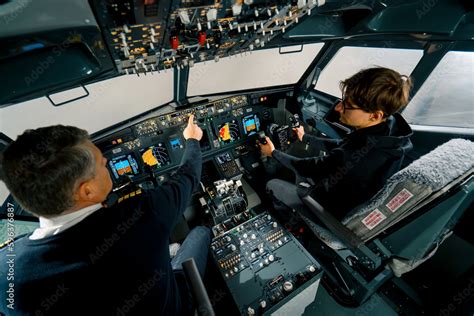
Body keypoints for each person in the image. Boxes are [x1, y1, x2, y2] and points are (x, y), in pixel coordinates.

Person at [0, 115, 210, 315]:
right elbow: (188, 176)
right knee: (201, 232)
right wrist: (192, 139)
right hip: (175, 307)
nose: (107, 162)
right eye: (101, 163)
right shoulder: (142, 214)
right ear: (87, 191)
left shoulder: (7, 273)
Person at [259, 67, 413, 221]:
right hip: (346, 191)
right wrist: (306, 138)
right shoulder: (389, 130)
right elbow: (344, 145)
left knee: (272, 184)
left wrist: (273, 152)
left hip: (330, 210)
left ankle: (291, 223)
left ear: (375, 115)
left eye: (347, 104)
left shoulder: (361, 155)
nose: (338, 108)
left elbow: (308, 167)